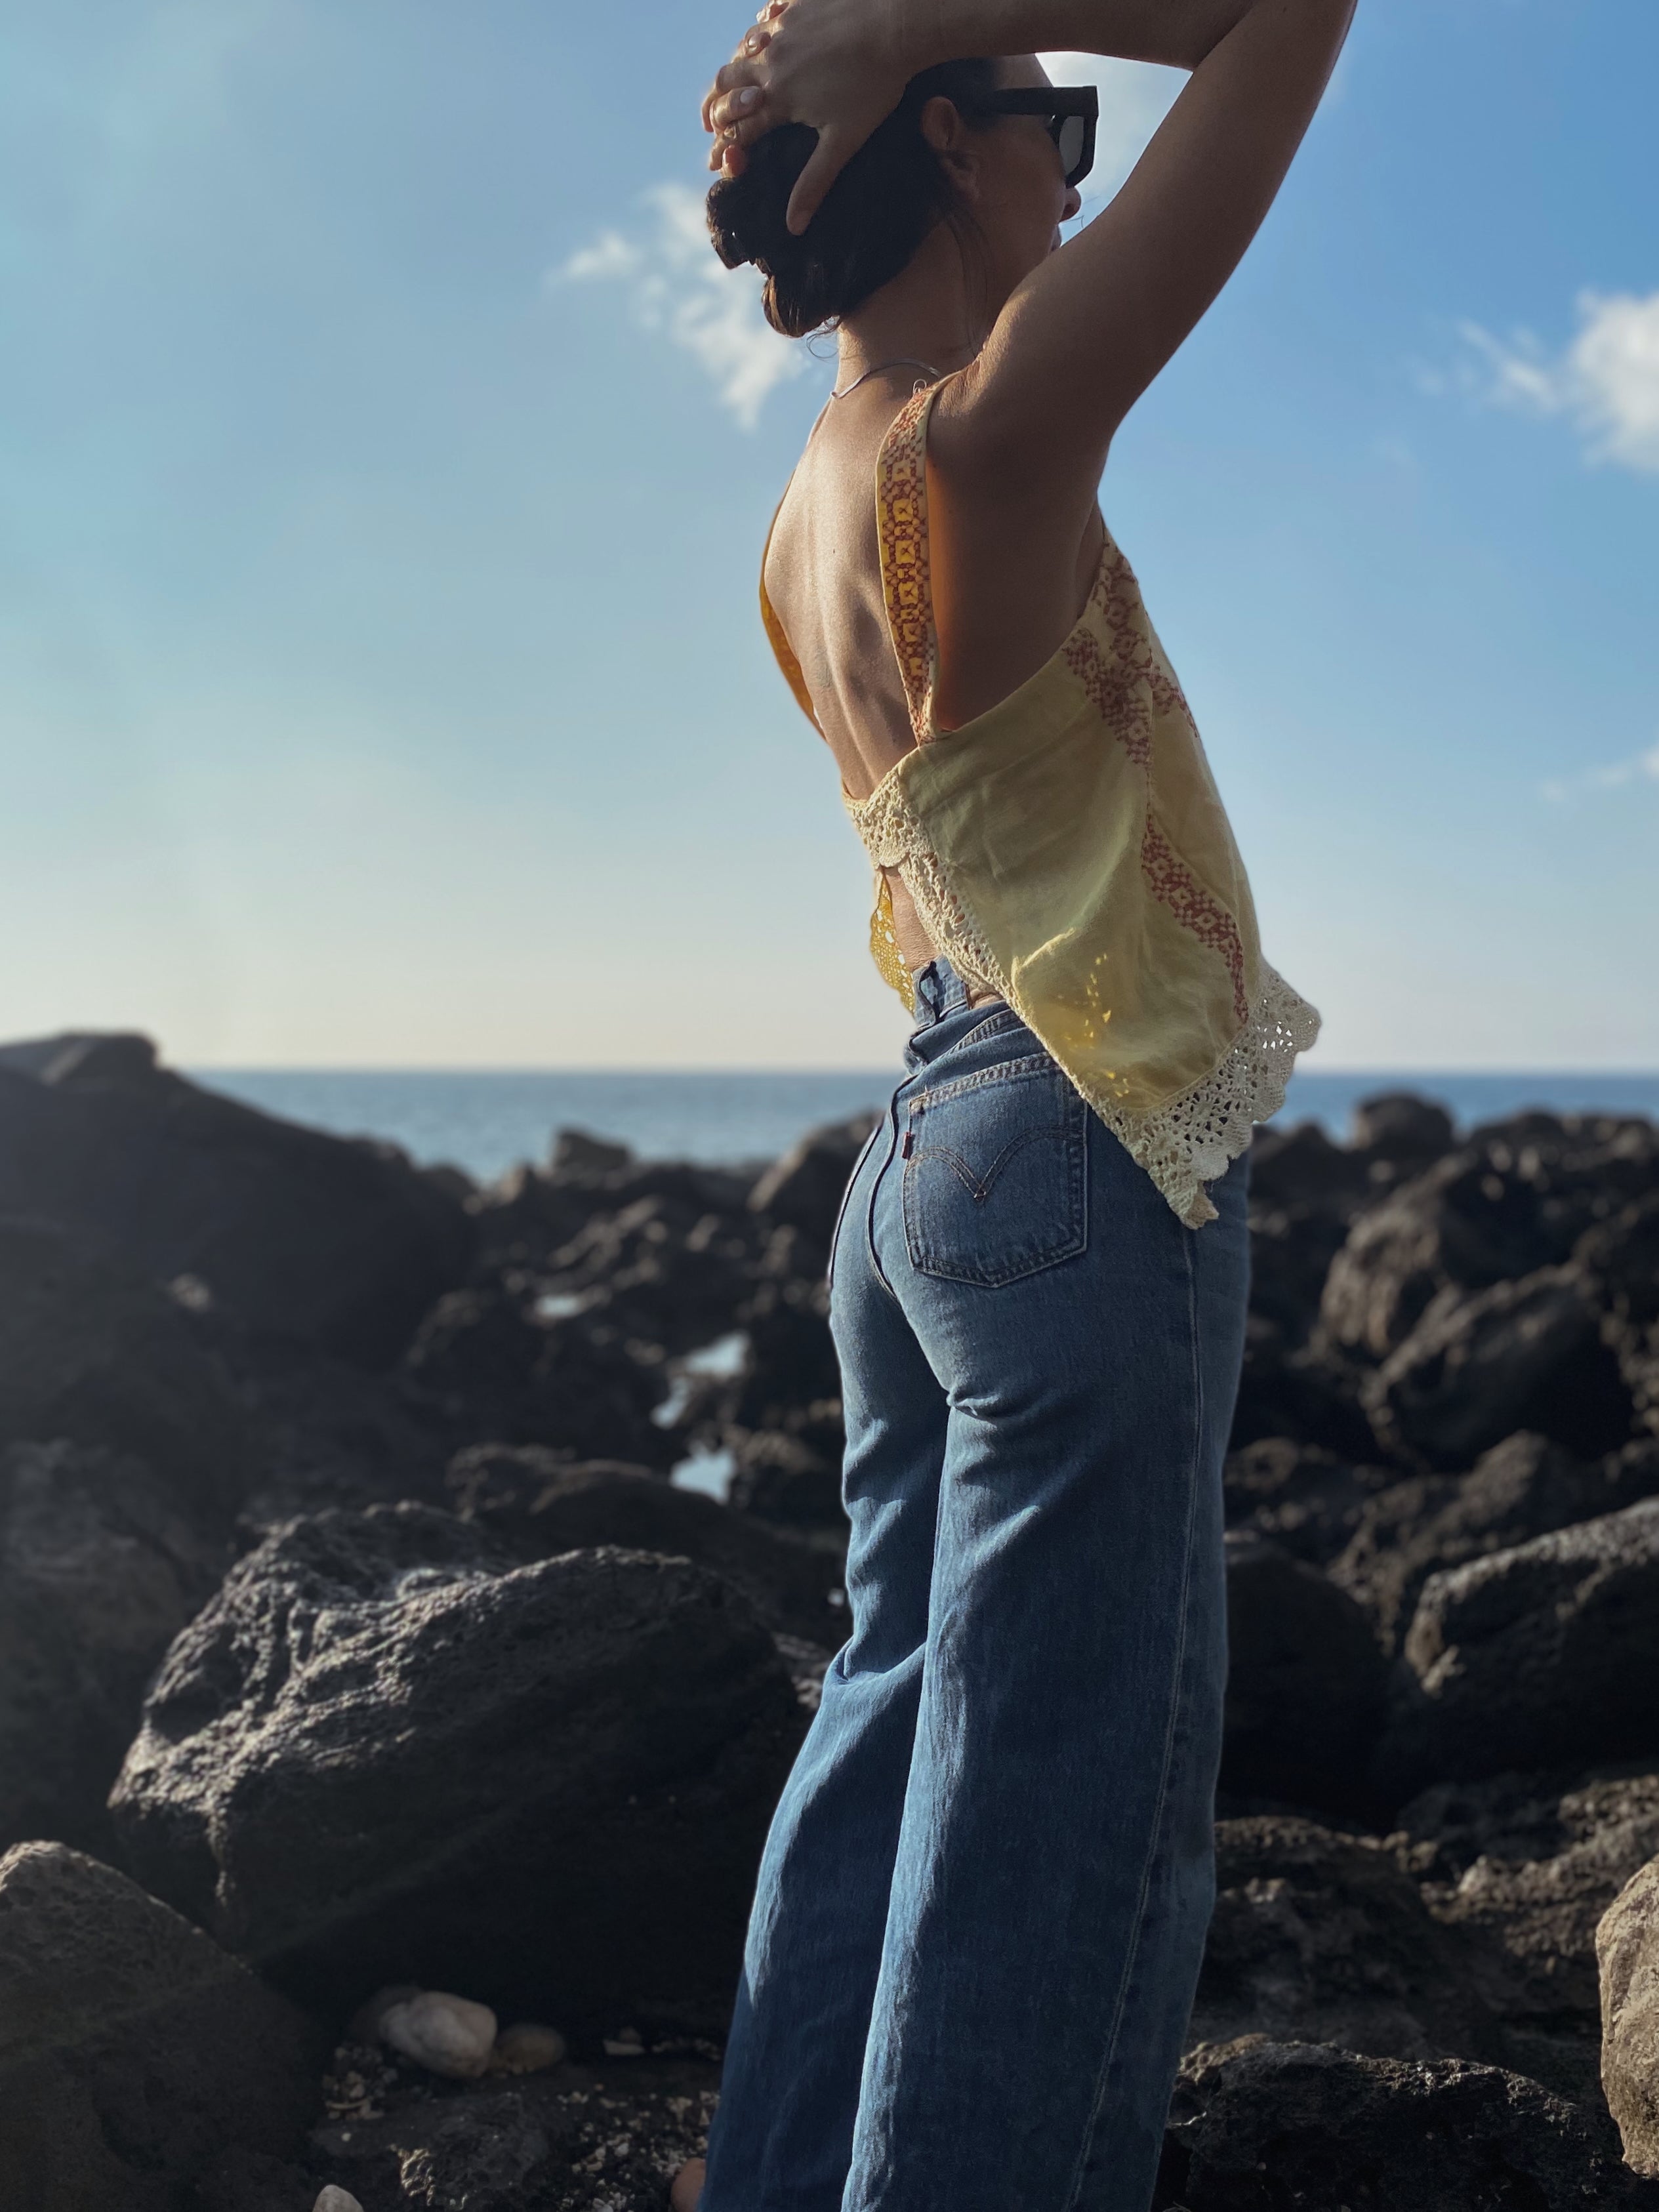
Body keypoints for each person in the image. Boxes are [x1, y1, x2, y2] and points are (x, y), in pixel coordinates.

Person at [674, 1, 1353, 2206]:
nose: (1076, 164)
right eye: (1047, 127)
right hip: (1066, 1143)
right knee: (1056, 1826)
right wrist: (934, 21)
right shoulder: (983, 434)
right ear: (949, 148)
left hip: (915, 1170)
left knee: (888, 1746)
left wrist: (917, 52)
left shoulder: (807, 508)